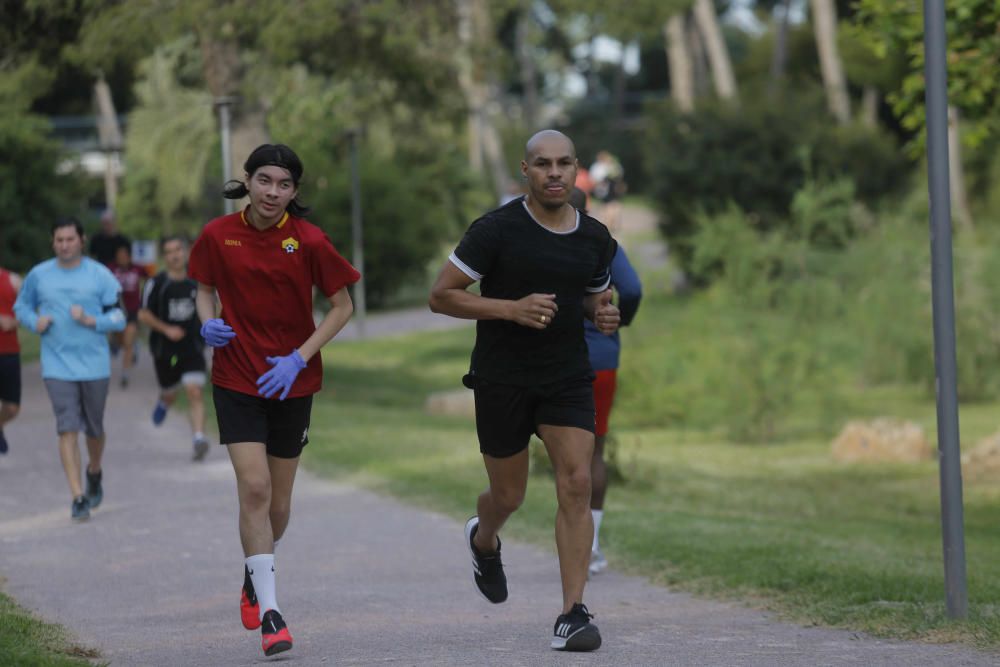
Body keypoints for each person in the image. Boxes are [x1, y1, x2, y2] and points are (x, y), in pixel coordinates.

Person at [429, 130, 621, 653]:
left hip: (566, 375)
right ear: (526, 171)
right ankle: (483, 538)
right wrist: (510, 309)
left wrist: (601, 311)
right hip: (502, 377)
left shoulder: (595, 237)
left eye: (563, 164)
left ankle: (572, 614)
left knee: (577, 482)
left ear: (576, 168)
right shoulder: (495, 231)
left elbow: (591, 295)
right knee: (509, 495)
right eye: (543, 164)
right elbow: (441, 296)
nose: (554, 173)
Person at [188, 144, 360, 658]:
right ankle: (271, 615)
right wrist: (206, 323)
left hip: (291, 383)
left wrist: (298, 357)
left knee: (279, 505)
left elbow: (342, 306)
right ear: (248, 181)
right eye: (264, 181)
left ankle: (253, 572)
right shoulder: (218, 234)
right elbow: (202, 287)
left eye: (284, 185)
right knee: (256, 489)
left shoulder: (308, 240)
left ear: (295, 192)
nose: (273, 192)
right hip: (236, 378)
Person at [14, 218, 125, 521]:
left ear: (82, 240)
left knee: (94, 429)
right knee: (67, 427)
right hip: (57, 364)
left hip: (94, 364)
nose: (64, 245)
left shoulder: (100, 275)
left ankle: (94, 470)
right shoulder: (39, 275)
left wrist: (93, 321)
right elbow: (21, 307)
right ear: (53, 243)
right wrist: (33, 321)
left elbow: (120, 317)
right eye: (59, 240)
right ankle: (77, 496)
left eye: (70, 239)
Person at [568, 188, 643, 576]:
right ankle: (590, 545)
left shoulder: (540, 242)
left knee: (563, 453)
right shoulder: (605, 245)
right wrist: (616, 320)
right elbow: (630, 290)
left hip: (552, 356)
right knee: (593, 450)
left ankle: (569, 539)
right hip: (600, 356)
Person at [138, 235, 210, 461]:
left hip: (193, 347)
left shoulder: (198, 281)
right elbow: (143, 314)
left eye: (178, 249)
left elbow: (212, 306)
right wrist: (166, 329)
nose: (174, 255)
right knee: (170, 392)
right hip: (165, 350)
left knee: (194, 391)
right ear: (164, 256)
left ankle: (198, 438)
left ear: (186, 251)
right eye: (169, 251)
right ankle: (163, 402)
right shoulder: (156, 283)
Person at [110, 244, 145, 388]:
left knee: (128, 341)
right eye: (119, 256)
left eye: (125, 255)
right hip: (116, 311)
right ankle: (132, 345)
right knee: (121, 340)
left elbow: (150, 279)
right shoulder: (110, 269)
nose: (122, 258)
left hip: (133, 310)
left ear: (129, 256)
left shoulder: (137, 269)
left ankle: (125, 374)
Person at [0, 266, 23, 454]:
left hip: (8, 352)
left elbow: (26, 313)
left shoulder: (13, 280)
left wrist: (13, 322)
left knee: (12, 408)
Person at [589, 151, 625, 231]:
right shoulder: (598, 167)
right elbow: (594, 179)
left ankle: (611, 223)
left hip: (612, 190)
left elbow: (619, 176)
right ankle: (608, 224)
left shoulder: (614, 166)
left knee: (612, 207)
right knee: (607, 207)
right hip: (605, 190)